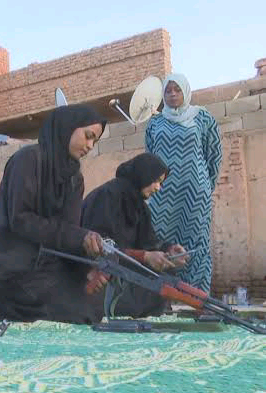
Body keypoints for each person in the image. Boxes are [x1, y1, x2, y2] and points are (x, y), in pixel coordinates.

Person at [0, 105, 107, 325]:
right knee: (59, 305)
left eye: (94, 142)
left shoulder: (74, 178)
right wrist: (78, 237)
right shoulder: (28, 159)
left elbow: (68, 233)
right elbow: (21, 219)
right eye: (88, 136)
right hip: (8, 261)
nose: (89, 146)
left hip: (44, 265)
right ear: (68, 128)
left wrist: (87, 268)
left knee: (91, 305)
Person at [81, 153, 188, 317]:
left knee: (166, 277)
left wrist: (169, 251)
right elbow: (101, 247)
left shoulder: (140, 206)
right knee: (141, 294)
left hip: (124, 268)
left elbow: (149, 242)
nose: (158, 188)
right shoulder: (107, 196)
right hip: (97, 273)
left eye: (161, 183)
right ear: (144, 174)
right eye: (156, 181)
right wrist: (145, 256)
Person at [145, 73, 222, 293]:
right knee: (159, 239)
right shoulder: (155, 122)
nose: (172, 95)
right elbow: (150, 157)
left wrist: (206, 186)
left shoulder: (202, 117)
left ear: (185, 91)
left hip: (195, 192)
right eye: (168, 91)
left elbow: (214, 155)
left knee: (196, 243)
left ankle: (196, 296)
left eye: (177, 90)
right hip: (162, 194)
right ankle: (162, 297)